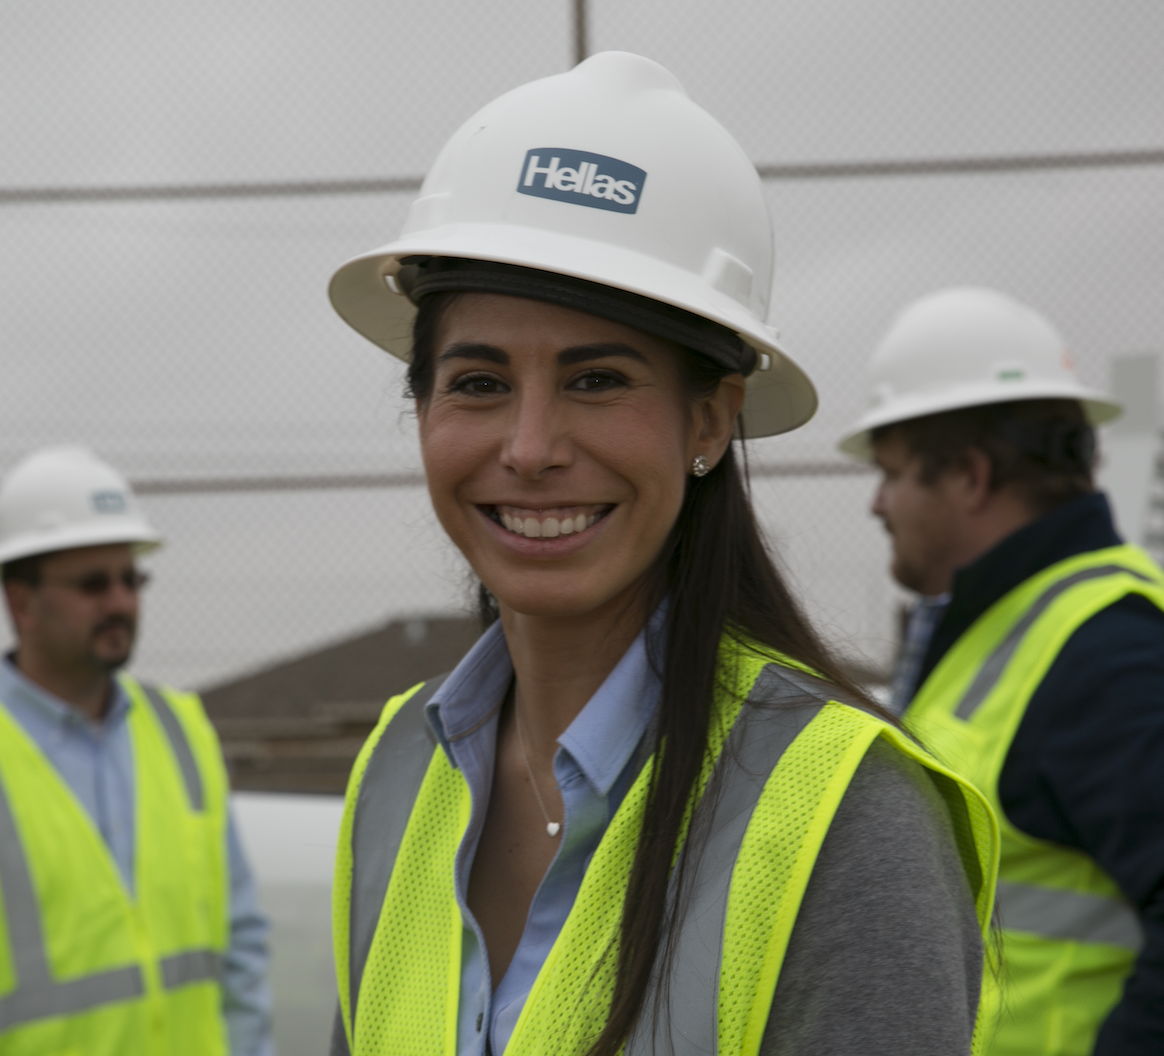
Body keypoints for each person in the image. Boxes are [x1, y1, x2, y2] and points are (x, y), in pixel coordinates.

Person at [324, 53, 1000, 1056]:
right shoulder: (395, 776)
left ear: (711, 421)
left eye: (597, 381)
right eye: (478, 382)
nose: (531, 447)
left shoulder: (845, 816)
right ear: (421, 408)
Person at [840, 287, 1164, 1056]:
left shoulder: (1109, 650)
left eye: (893, 473)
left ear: (971, 478)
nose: (878, 504)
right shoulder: (1011, 629)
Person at [0, 445, 273, 1056]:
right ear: (19, 601)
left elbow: (241, 953)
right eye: (93, 584)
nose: (121, 602)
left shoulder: (184, 732)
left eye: (131, 579)